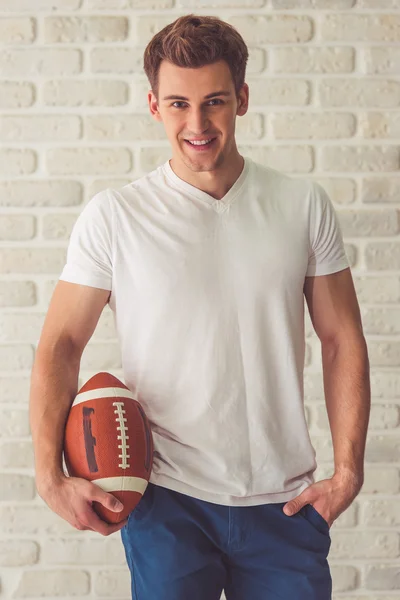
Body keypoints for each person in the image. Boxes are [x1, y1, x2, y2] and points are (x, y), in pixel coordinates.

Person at [29, 13, 370, 600]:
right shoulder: (116, 217)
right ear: (154, 106)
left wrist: (347, 475)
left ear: (241, 98)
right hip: (168, 504)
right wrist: (48, 478)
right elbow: (60, 344)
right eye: (178, 103)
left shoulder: (301, 204)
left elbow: (342, 340)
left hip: (284, 506)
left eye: (213, 101)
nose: (197, 123)